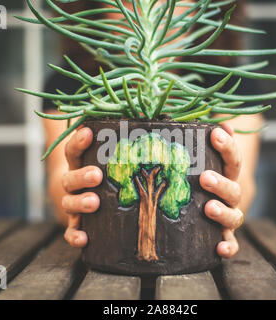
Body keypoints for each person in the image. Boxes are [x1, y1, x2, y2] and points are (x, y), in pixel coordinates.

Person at [43, 0, 263, 259]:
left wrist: (230, 203)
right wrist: (71, 199)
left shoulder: (231, 84)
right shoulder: (71, 83)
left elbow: (243, 181)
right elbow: (60, 176)